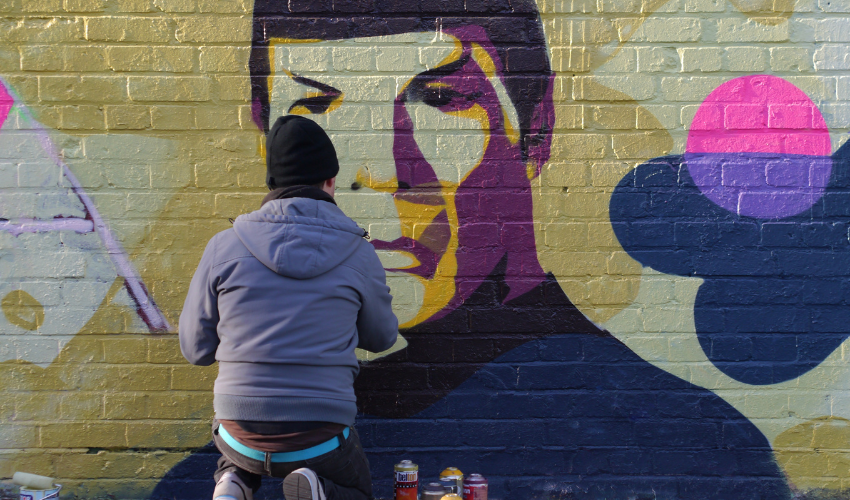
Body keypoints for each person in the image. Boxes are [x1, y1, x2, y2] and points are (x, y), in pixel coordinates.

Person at [153, 2, 791, 499]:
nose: (378, 170)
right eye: (317, 102)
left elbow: (197, 344)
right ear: (265, 124)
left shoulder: (693, 452)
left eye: (438, 98)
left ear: (534, 128)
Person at [178, 114, 398, 500]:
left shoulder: (223, 247)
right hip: (320, 436)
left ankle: (234, 482)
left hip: (238, 433)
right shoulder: (359, 254)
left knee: (241, 449)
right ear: (331, 182)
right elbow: (382, 338)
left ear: (272, 184)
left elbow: (195, 351)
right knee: (357, 491)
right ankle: (320, 491)